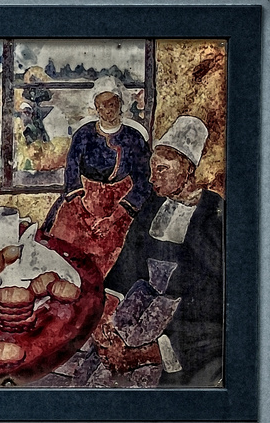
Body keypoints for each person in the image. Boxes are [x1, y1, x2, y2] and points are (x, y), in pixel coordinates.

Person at [98, 115, 223, 386]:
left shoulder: (215, 217)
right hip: (137, 314)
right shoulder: (154, 205)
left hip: (183, 340)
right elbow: (127, 264)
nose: (153, 178)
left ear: (188, 168)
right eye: (152, 169)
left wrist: (142, 354)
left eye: (162, 169)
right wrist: (108, 308)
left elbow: (211, 309)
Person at [45, 78, 151, 272]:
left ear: (121, 105)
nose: (107, 110)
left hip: (120, 208)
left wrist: (113, 219)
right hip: (82, 203)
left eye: (112, 104)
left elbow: (143, 182)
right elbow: (72, 173)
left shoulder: (134, 138)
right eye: (102, 105)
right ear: (95, 108)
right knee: (64, 254)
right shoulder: (83, 135)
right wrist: (83, 213)